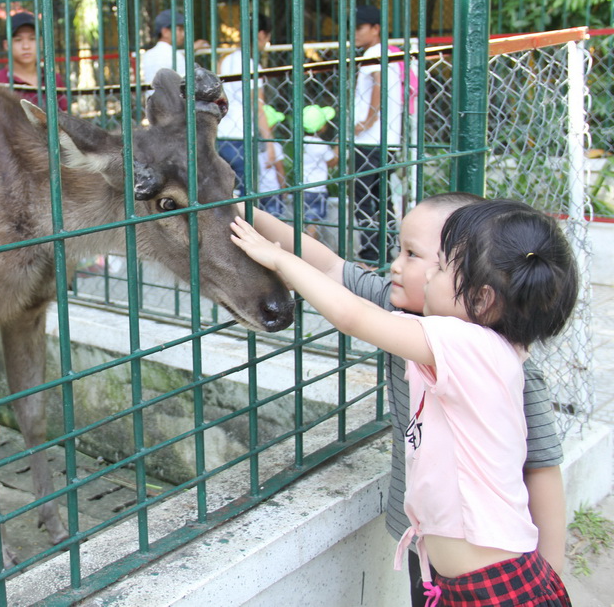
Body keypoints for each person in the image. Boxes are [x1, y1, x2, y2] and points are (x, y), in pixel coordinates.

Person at [231, 198, 576, 606]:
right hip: (449, 574)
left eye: (438, 265)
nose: (405, 267)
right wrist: (235, 207)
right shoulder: (463, 333)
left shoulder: (469, 343)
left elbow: (353, 316)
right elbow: (333, 271)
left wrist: (277, 259)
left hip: (492, 586)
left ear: (482, 299)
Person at [351, 4, 404, 262]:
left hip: (370, 140)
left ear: (376, 28)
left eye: (360, 28)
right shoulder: (389, 53)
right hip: (388, 140)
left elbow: (378, 85)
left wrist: (367, 121)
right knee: (383, 198)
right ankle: (387, 250)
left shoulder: (375, 52)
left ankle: (372, 254)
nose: (355, 34)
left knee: (365, 198)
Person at [216, 15, 276, 195]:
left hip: (221, 136)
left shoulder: (225, 61)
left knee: (224, 193)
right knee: (246, 194)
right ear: (262, 34)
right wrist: (270, 142)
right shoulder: (250, 65)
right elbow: (257, 107)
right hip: (241, 138)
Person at [0, 12, 68, 111]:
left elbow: (65, 117)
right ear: (6, 45)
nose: (26, 46)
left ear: (40, 42)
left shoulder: (53, 78)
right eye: (18, 40)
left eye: (32, 39)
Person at [139, 9, 210, 91]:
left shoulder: (148, 54)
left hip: (153, 102)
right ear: (165, 32)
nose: (183, 34)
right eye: (179, 29)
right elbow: (185, 87)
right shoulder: (175, 56)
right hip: (172, 103)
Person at [297, 105, 339, 240]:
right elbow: (332, 161)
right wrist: (338, 146)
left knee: (305, 219)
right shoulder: (320, 145)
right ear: (322, 127)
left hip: (303, 187)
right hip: (317, 189)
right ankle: (309, 245)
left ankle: (303, 244)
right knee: (313, 221)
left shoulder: (301, 143)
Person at [255, 105, 287, 216]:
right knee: (275, 220)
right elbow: (280, 170)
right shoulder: (274, 147)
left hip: (256, 190)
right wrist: (283, 188)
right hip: (272, 190)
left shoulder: (250, 146)